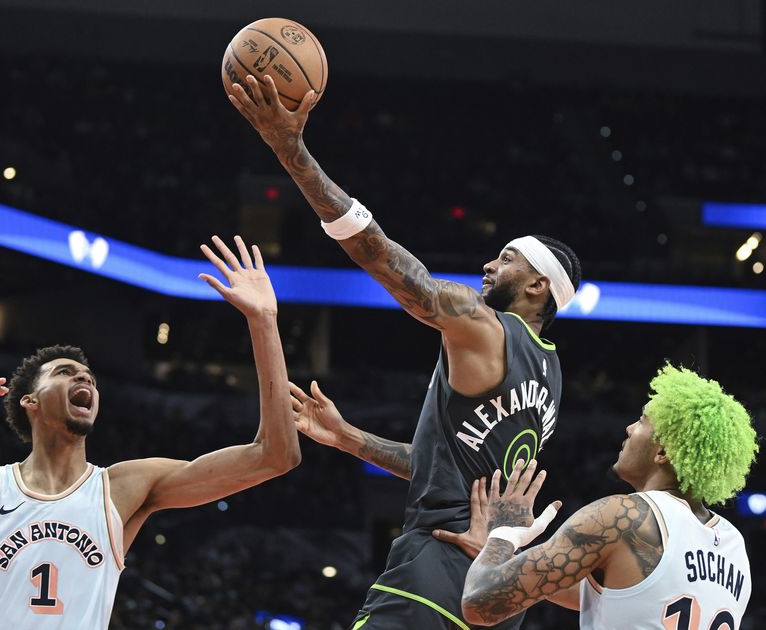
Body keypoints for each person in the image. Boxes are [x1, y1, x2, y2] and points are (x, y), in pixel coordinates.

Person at [230, 76, 581, 629]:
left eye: (507, 259)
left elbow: (379, 255)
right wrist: (349, 438)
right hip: (497, 595)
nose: (489, 265)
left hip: (437, 566)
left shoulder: (484, 327)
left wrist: (291, 152)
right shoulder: (551, 373)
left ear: (538, 286)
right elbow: (446, 468)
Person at [0, 235, 301, 629]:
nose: (85, 378)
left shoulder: (123, 488)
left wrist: (263, 322)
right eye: (64, 372)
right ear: (30, 400)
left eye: (90, 377)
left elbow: (275, 456)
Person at [461, 364, 758, 629]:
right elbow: (610, 596)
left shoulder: (623, 516)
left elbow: (479, 604)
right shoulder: (733, 545)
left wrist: (502, 534)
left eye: (641, 421)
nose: (629, 428)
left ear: (663, 452)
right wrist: (506, 557)